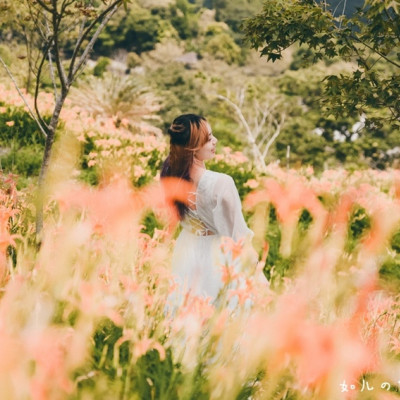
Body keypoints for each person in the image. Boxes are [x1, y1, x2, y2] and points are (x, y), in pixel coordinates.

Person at [161, 114, 256, 301]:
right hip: (217, 258)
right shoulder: (222, 183)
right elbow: (236, 236)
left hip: (186, 253)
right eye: (208, 139)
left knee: (187, 315)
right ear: (192, 146)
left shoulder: (170, 174)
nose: (215, 141)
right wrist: (253, 264)